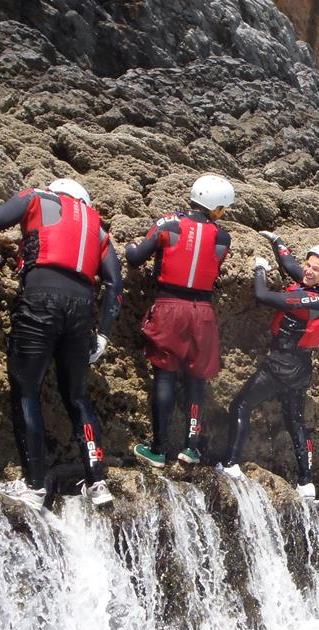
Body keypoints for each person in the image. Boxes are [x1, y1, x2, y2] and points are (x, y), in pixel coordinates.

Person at [0, 178, 122, 508]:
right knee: (77, 396)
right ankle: (98, 481)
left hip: (41, 298)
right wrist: (103, 333)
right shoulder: (96, 226)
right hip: (82, 309)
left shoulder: (37, 197)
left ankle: (34, 485)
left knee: (27, 388)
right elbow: (115, 283)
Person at [216, 231, 319, 499]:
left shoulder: (312, 299)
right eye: (308, 264)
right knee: (294, 419)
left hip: (284, 364)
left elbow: (263, 295)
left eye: (315, 269)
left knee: (241, 404)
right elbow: (291, 265)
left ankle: (231, 464)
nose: (307, 270)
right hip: (301, 366)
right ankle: (306, 482)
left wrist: (260, 268)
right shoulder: (317, 289)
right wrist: (277, 241)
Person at [125, 175, 234, 468]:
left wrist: (130, 244)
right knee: (196, 378)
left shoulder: (168, 224)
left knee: (165, 375)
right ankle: (191, 448)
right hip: (203, 312)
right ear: (217, 208)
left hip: (170, 307)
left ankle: (158, 449)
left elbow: (135, 257)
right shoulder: (224, 237)